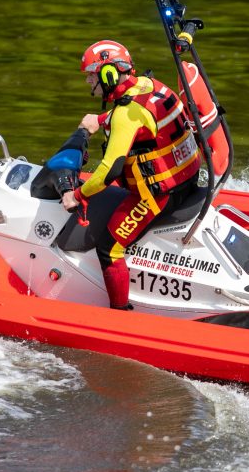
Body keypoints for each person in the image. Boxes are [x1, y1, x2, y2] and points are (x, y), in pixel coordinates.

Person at [61, 40, 201, 310]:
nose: (88, 80)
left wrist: (77, 195)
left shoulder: (126, 114)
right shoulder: (150, 85)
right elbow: (140, 117)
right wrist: (101, 120)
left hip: (157, 196)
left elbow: (108, 171)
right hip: (187, 179)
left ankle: (119, 314)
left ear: (109, 75)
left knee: (109, 249)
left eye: (91, 74)